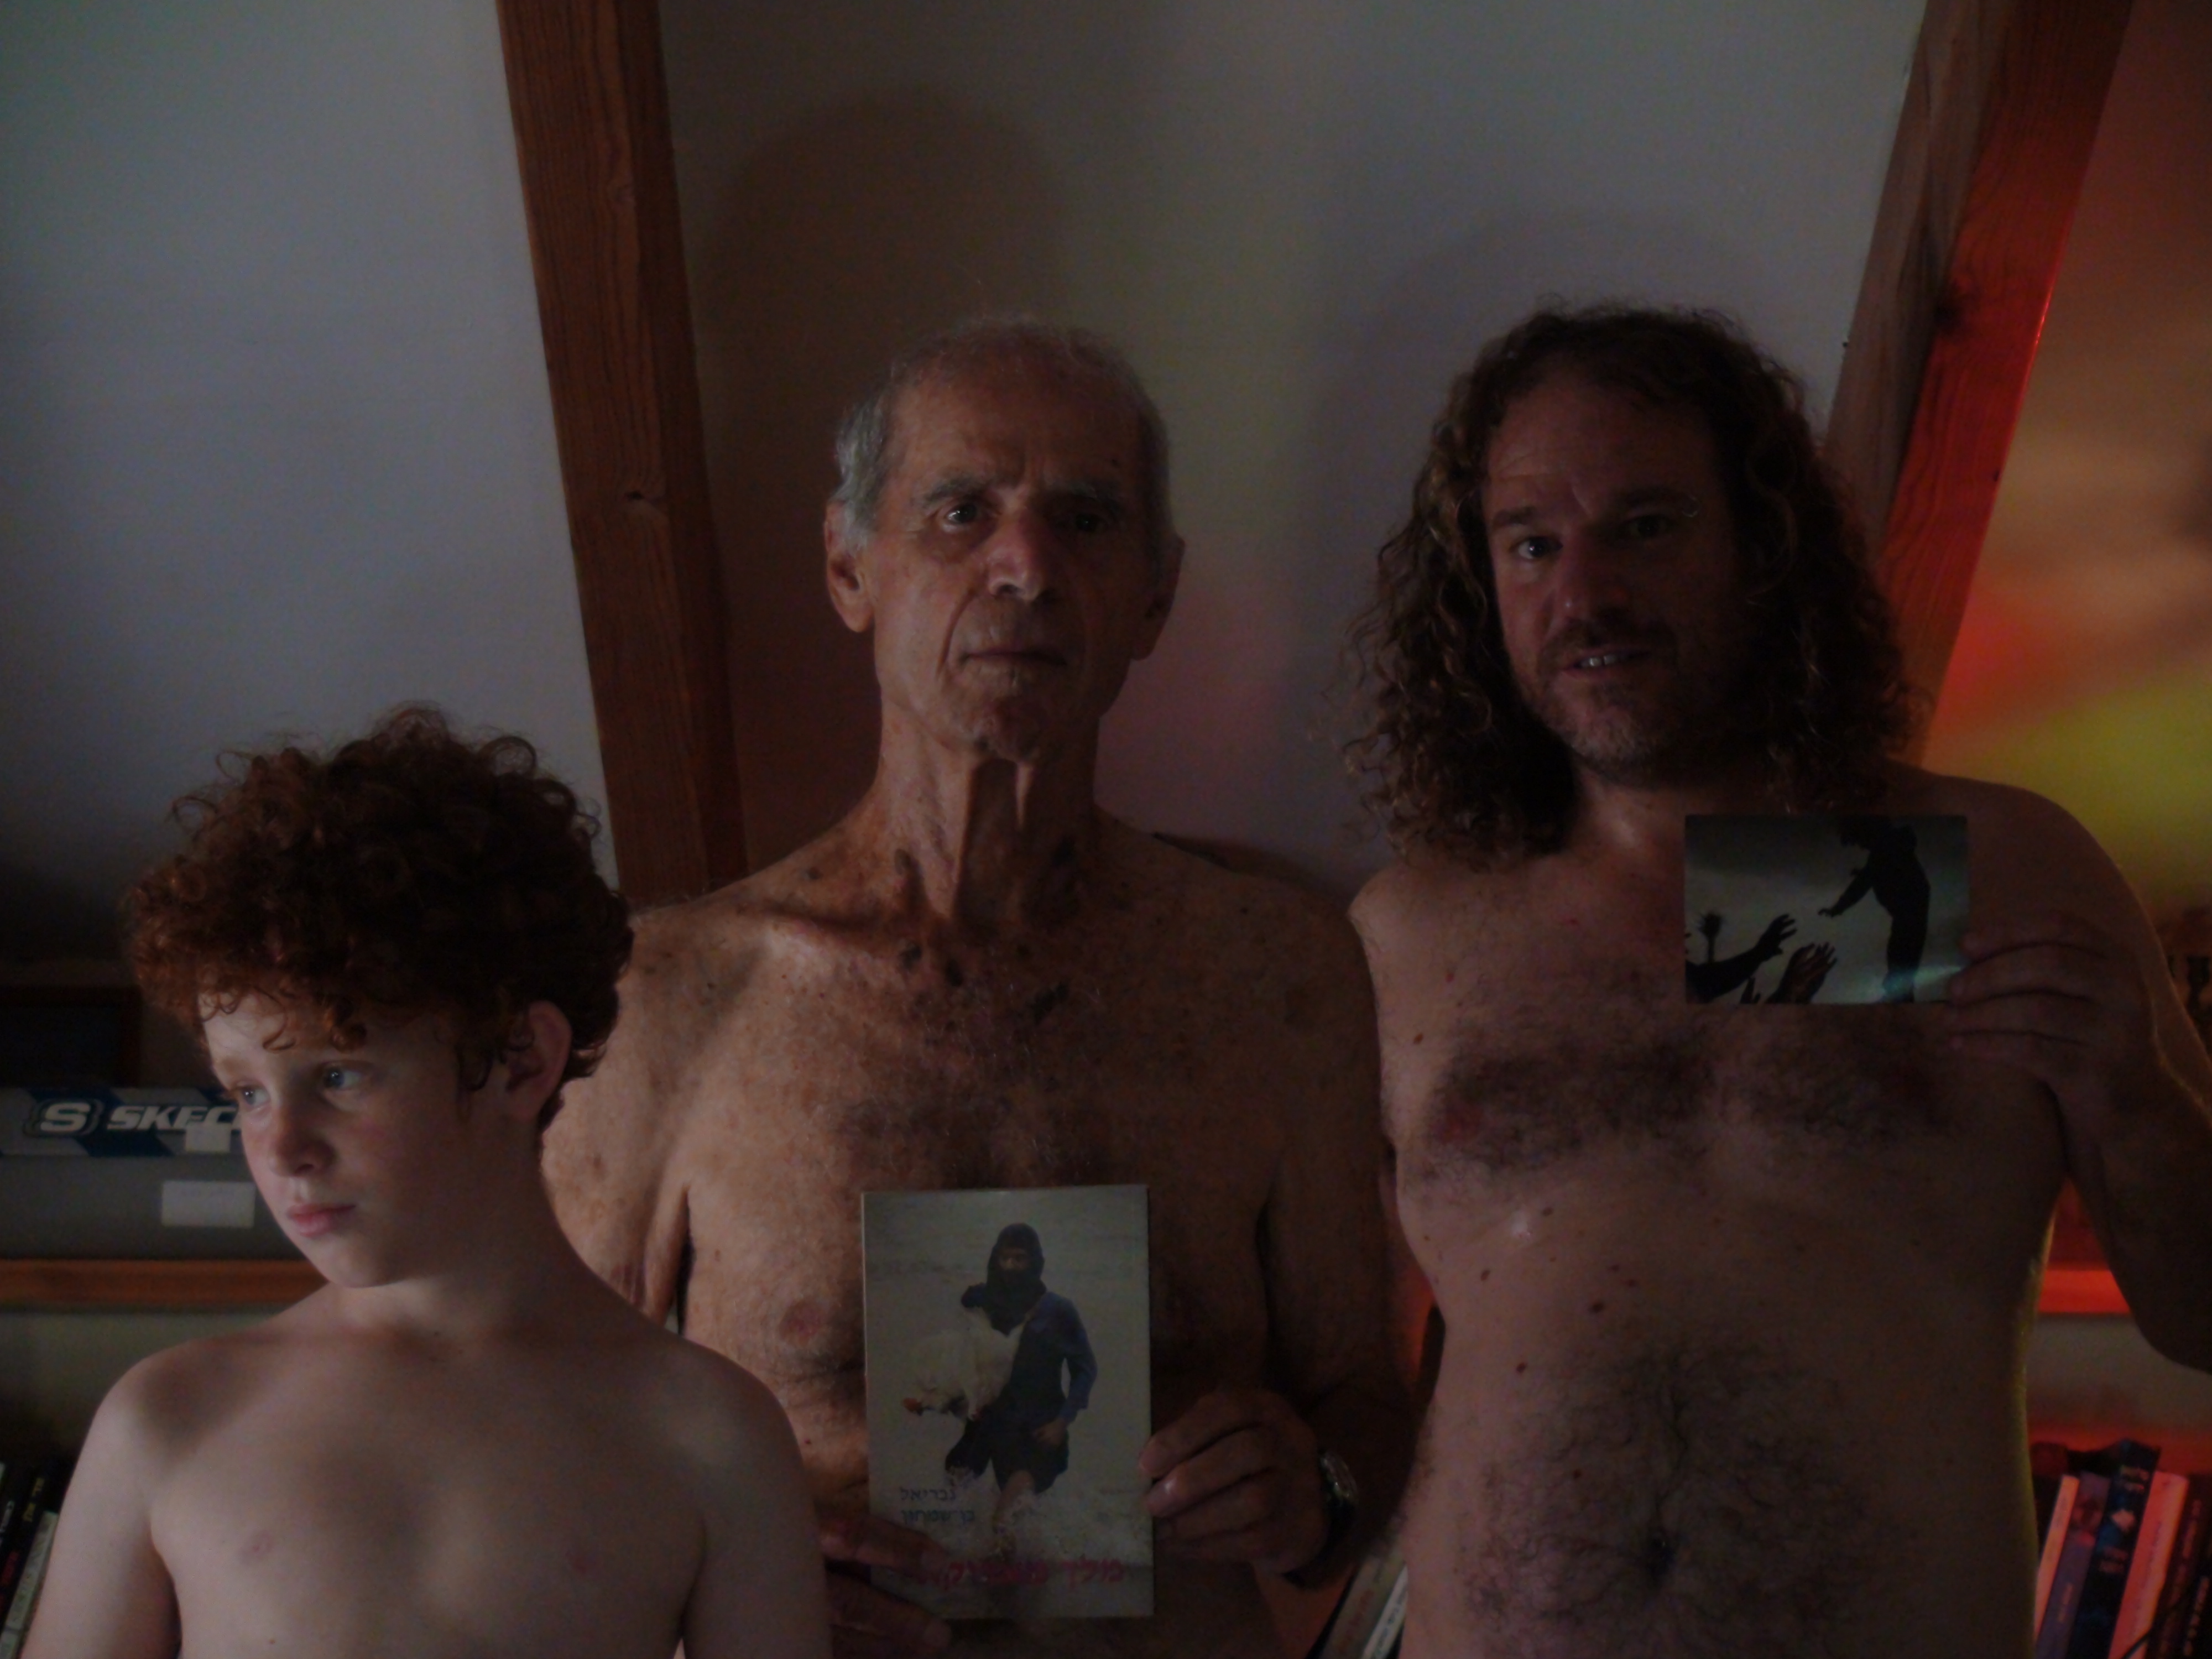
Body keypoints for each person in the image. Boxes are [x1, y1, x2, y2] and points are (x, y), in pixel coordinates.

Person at [1348, 306, 2212, 1658]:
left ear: (1762, 548)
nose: (1585, 593)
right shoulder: (1408, 933)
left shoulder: (2000, 868)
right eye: (1531, 544)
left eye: (1644, 526)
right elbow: (1343, 1383)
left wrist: (2136, 1095)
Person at [545, 319, 1411, 1658]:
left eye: (1085, 518)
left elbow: (1362, 1402)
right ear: (849, 566)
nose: (1026, 566)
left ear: (1155, 594)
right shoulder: (674, 991)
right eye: (960, 511)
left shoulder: (1275, 973)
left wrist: (1317, 1490)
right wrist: (721, 1566)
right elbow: (540, 1440)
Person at [24, 710, 830, 1659]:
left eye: (338, 1075)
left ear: (520, 1061)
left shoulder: (709, 1435)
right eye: (246, 1092)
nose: (282, 1148)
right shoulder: (169, 1421)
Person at [939, 1225, 1096, 1538]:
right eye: (1005, 1258)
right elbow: (964, 1342)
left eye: (1020, 1258)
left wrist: (1062, 1422)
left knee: (1004, 1521)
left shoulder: (1057, 1311)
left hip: (1039, 1428)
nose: (1011, 1266)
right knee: (957, 1501)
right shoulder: (984, 1301)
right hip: (990, 1424)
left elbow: (1085, 1369)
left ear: (1035, 1262)